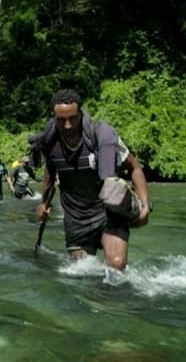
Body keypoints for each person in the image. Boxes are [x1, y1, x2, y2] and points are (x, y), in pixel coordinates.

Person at [34, 89, 150, 271]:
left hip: (109, 213)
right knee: (82, 275)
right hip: (75, 218)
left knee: (116, 266)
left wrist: (144, 205)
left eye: (72, 118)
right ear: (53, 117)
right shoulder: (50, 142)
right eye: (61, 120)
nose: (67, 126)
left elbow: (134, 167)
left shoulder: (100, 136)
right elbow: (50, 172)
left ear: (81, 113)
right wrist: (43, 203)